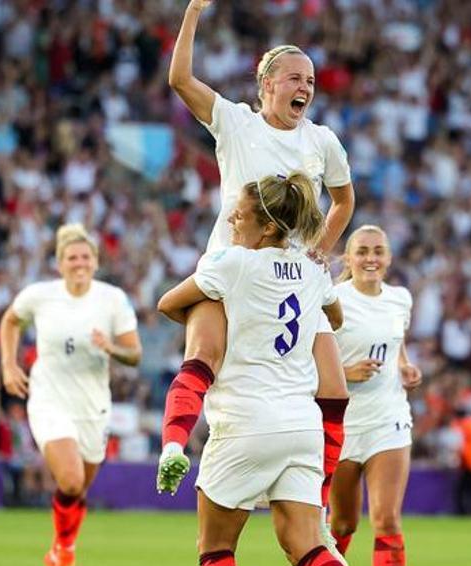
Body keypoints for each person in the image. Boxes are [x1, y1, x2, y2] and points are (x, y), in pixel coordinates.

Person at [156, 174, 396, 566]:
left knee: (216, 549)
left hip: (245, 422)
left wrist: (224, 310)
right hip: (300, 426)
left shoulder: (231, 263)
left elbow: (167, 303)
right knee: (308, 545)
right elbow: (335, 316)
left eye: (240, 215)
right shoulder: (312, 272)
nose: (232, 220)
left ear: (266, 226)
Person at [163, 0, 357, 537]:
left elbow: (344, 200)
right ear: (266, 83)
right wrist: (194, 12)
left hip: (293, 280)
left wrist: (321, 247)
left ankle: (317, 501)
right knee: (205, 358)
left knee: (335, 389)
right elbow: (179, 78)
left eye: (312, 80)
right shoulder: (236, 121)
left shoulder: (322, 141)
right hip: (232, 270)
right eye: (295, 77)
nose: (307, 87)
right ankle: (175, 444)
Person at [0, 223, 142, 566]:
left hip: (93, 406)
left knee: (78, 490)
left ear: (95, 261)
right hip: (49, 400)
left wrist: (111, 347)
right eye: (71, 257)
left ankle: (59, 551)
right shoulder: (39, 296)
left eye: (85, 256)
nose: (79, 263)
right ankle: (66, 551)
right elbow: (11, 321)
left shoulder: (112, 300)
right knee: (72, 481)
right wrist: (8, 365)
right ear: (59, 263)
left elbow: (135, 353)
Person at [326, 226, 421, 566]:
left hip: (389, 420)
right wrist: (344, 374)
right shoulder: (331, 302)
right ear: (347, 258)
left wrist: (405, 366)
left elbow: (396, 345)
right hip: (343, 426)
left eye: (378, 251)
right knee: (343, 523)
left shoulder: (401, 300)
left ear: (389, 257)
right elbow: (301, 362)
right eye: (361, 251)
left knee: (386, 518)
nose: (370, 258)